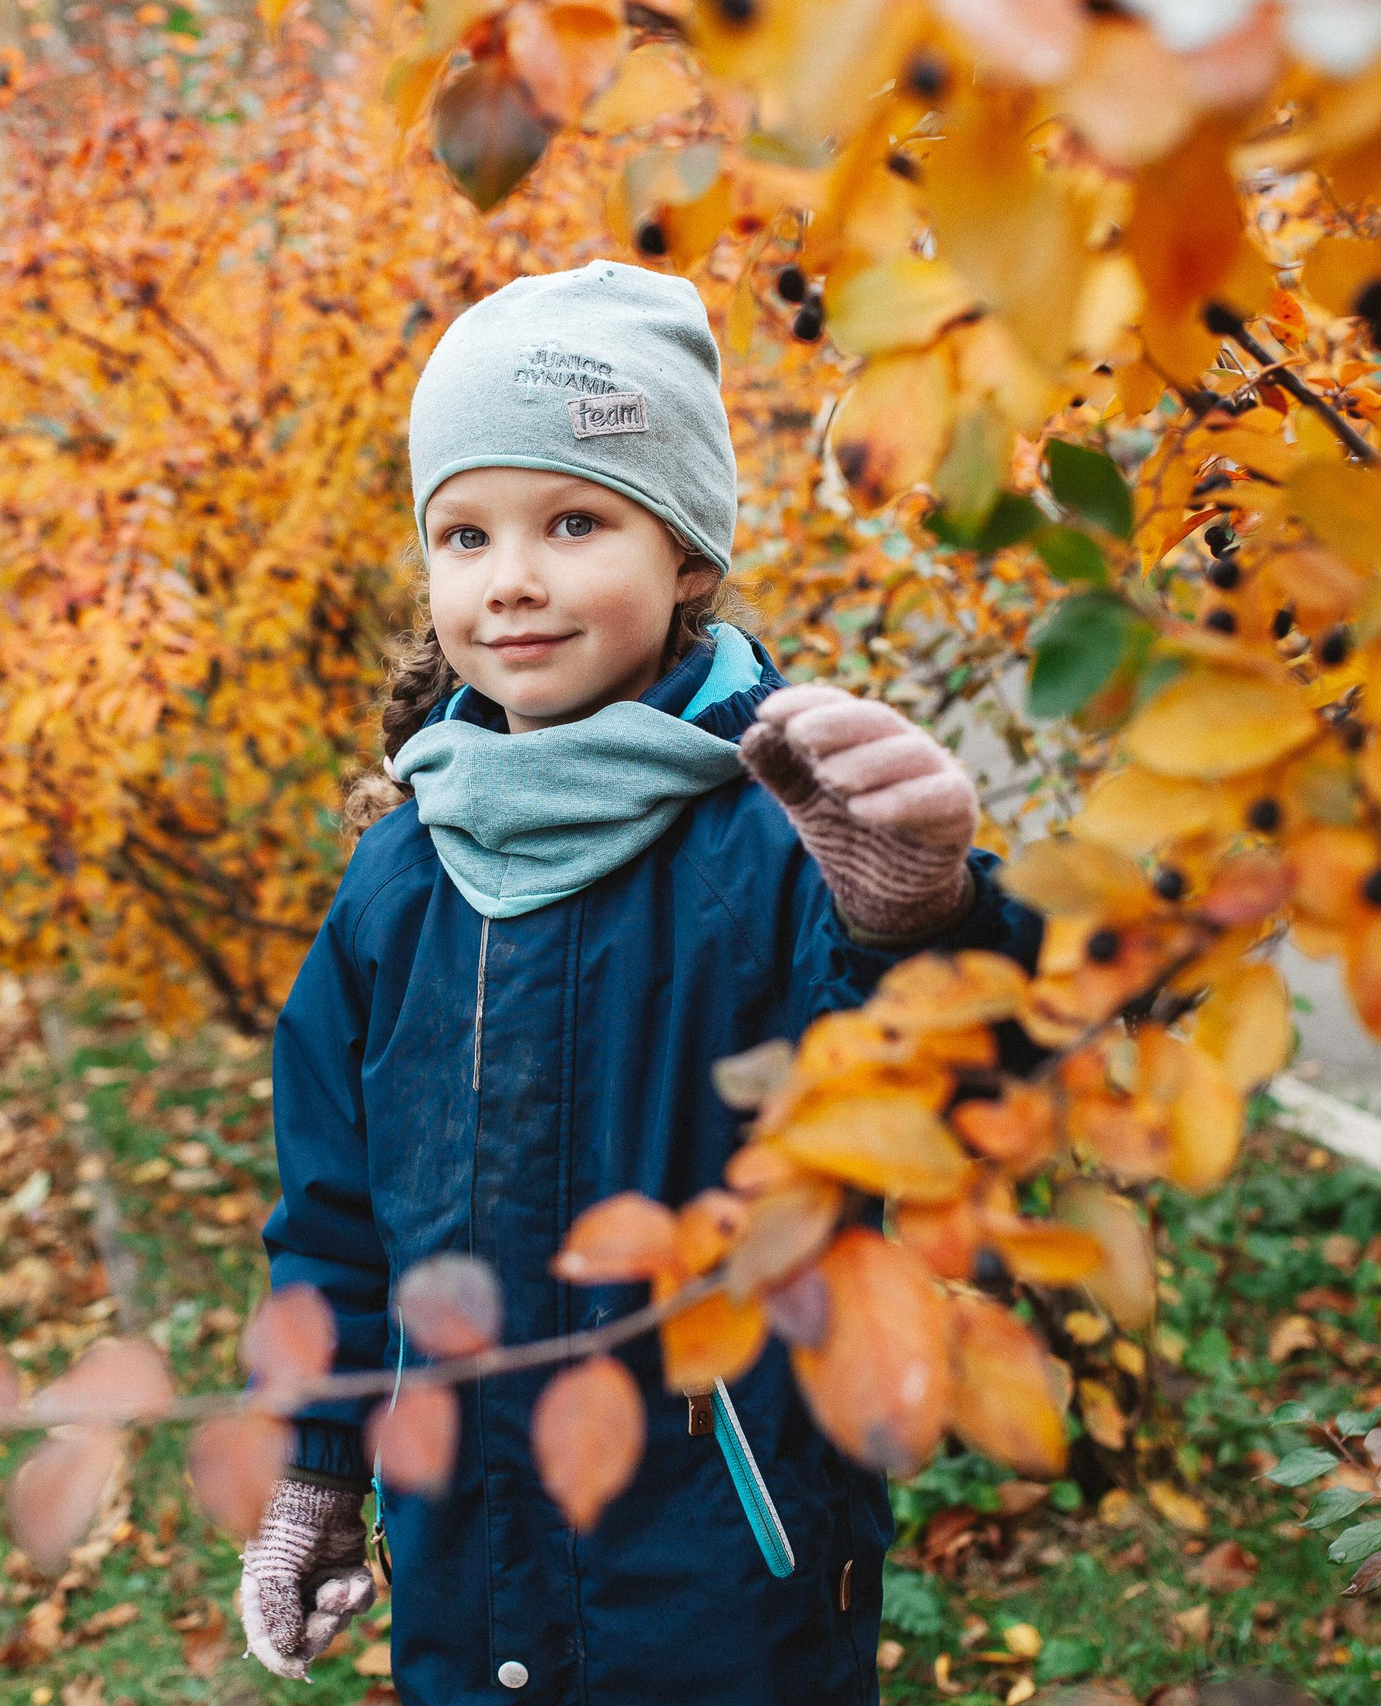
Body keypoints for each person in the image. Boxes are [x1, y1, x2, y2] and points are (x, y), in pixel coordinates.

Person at [240, 261, 1043, 1704]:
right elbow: (336, 1215)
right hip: (462, 1549)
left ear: (686, 557)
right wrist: (315, 1466)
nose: (513, 578)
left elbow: (957, 1098)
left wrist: (927, 918)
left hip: (721, 1582)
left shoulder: (790, 837)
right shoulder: (397, 879)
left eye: (574, 520)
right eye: (465, 532)